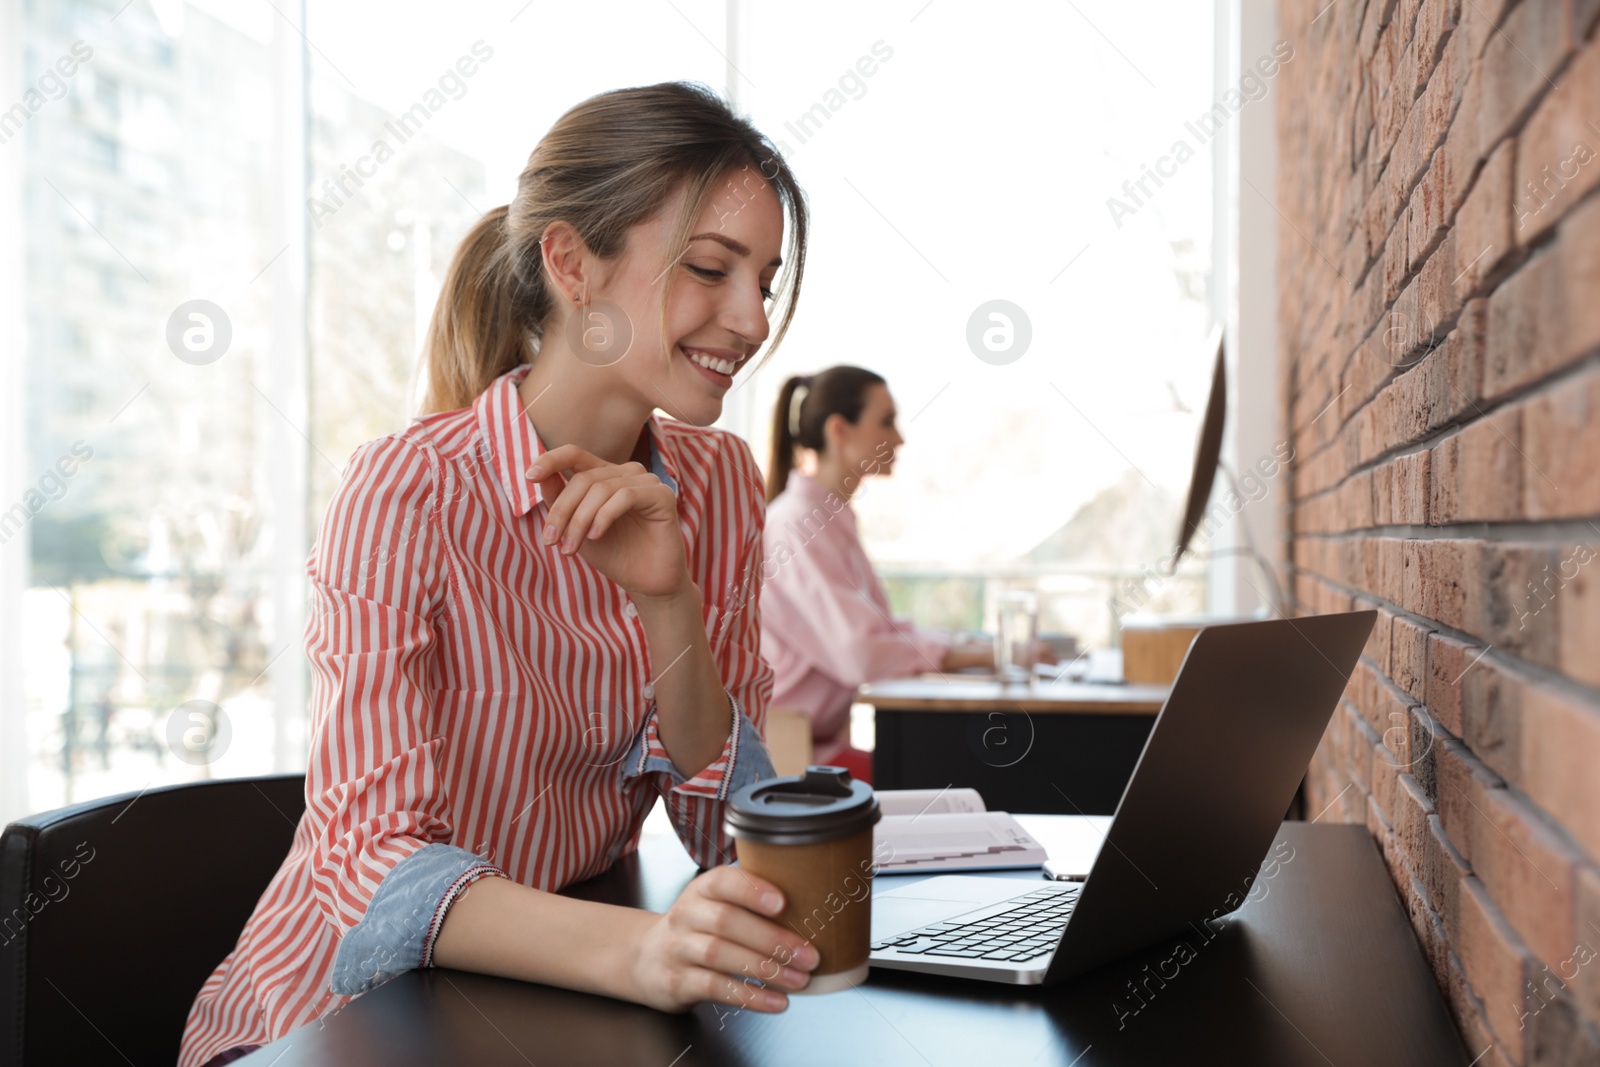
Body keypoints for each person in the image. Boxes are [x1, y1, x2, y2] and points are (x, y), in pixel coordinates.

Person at [181, 82, 818, 1067]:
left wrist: (668, 600)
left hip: (531, 1013)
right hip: (327, 1022)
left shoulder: (721, 482)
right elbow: (367, 853)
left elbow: (727, 837)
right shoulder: (408, 490)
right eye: (709, 269)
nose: (749, 318)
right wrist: (639, 949)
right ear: (572, 264)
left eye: (765, 282)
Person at [759, 367, 1012, 784]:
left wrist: (967, 646)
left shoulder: (828, 518)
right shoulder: (799, 524)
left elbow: (879, 631)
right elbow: (862, 653)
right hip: (794, 758)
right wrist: (985, 655)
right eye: (886, 422)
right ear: (839, 429)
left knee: (953, 767)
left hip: (816, 744)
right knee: (955, 773)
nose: (899, 438)